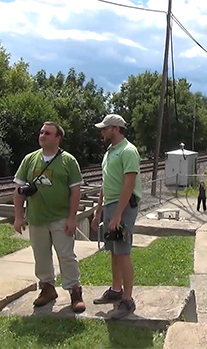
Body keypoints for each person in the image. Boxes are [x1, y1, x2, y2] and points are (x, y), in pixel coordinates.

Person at [12, 121, 86, 313]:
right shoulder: (30, 159)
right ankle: (47, 288)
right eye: (41, 132)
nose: (42, 135)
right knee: (41, 256)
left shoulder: (68, 161)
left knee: (66, 256)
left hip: (61, 217)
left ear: (58, 138)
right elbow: (18, 189)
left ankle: (74, 291)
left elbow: (76, 191)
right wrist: (18, 216)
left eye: (48, 133)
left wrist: (72, 218)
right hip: (37, 218)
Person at [91, 114, 142, 319]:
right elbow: (106, 184)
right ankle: (116, 290)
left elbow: (129, 184)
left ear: (116, 128)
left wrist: (118, 215)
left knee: (123, 251)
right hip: (112, 206)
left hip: (124, 207)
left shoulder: (128, 151)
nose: (102, 132)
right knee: (113, 249)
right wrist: (98, 211)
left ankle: (128, 300)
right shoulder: (110, 152)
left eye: (105, 128)